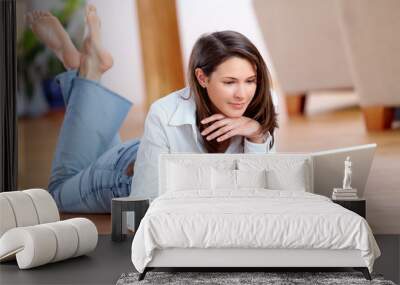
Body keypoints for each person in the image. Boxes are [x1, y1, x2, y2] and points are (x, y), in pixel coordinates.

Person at [26, 5, 278, 213]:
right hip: (122, 176)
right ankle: (85, 72)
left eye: (250, 81)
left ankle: (83, 71)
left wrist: (256, 133)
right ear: (202, 78)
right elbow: (144, 206)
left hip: (147, 152)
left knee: (90, 148)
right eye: (229, 82)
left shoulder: (258, 110)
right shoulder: (166, 112)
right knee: (57, 193)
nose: (242, 94)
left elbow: (258, 195)